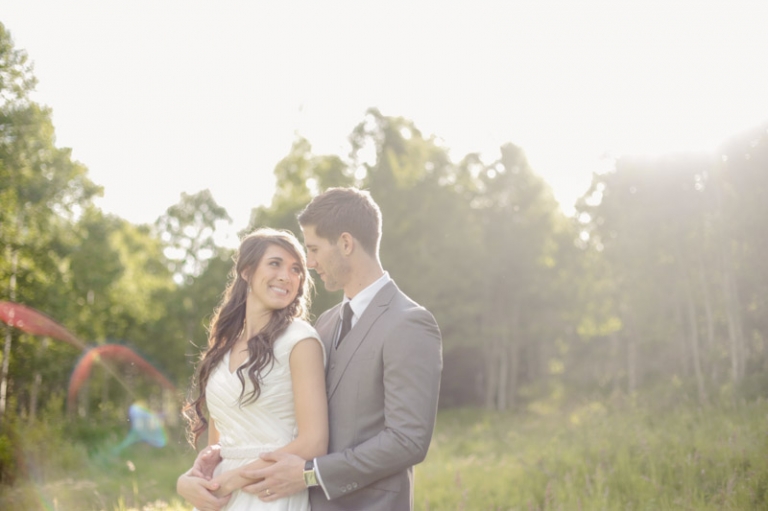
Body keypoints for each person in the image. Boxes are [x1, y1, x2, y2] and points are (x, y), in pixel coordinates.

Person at [190, 187, 443, 510]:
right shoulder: (323, 323)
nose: (309, 263)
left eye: (313, 249)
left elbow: (408, 441)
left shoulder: (408, 323)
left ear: (346, 244)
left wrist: (312, 473)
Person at [176, 228, 328, 511]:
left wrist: (231, 480)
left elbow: (314, 443)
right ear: (246, 270)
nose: (287, 275)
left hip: (272, 493)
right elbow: (219, 447)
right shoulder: (223, 347)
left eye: (296, 269)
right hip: (220, 498)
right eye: (275, 263)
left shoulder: (300, 340)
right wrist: (186, 482)